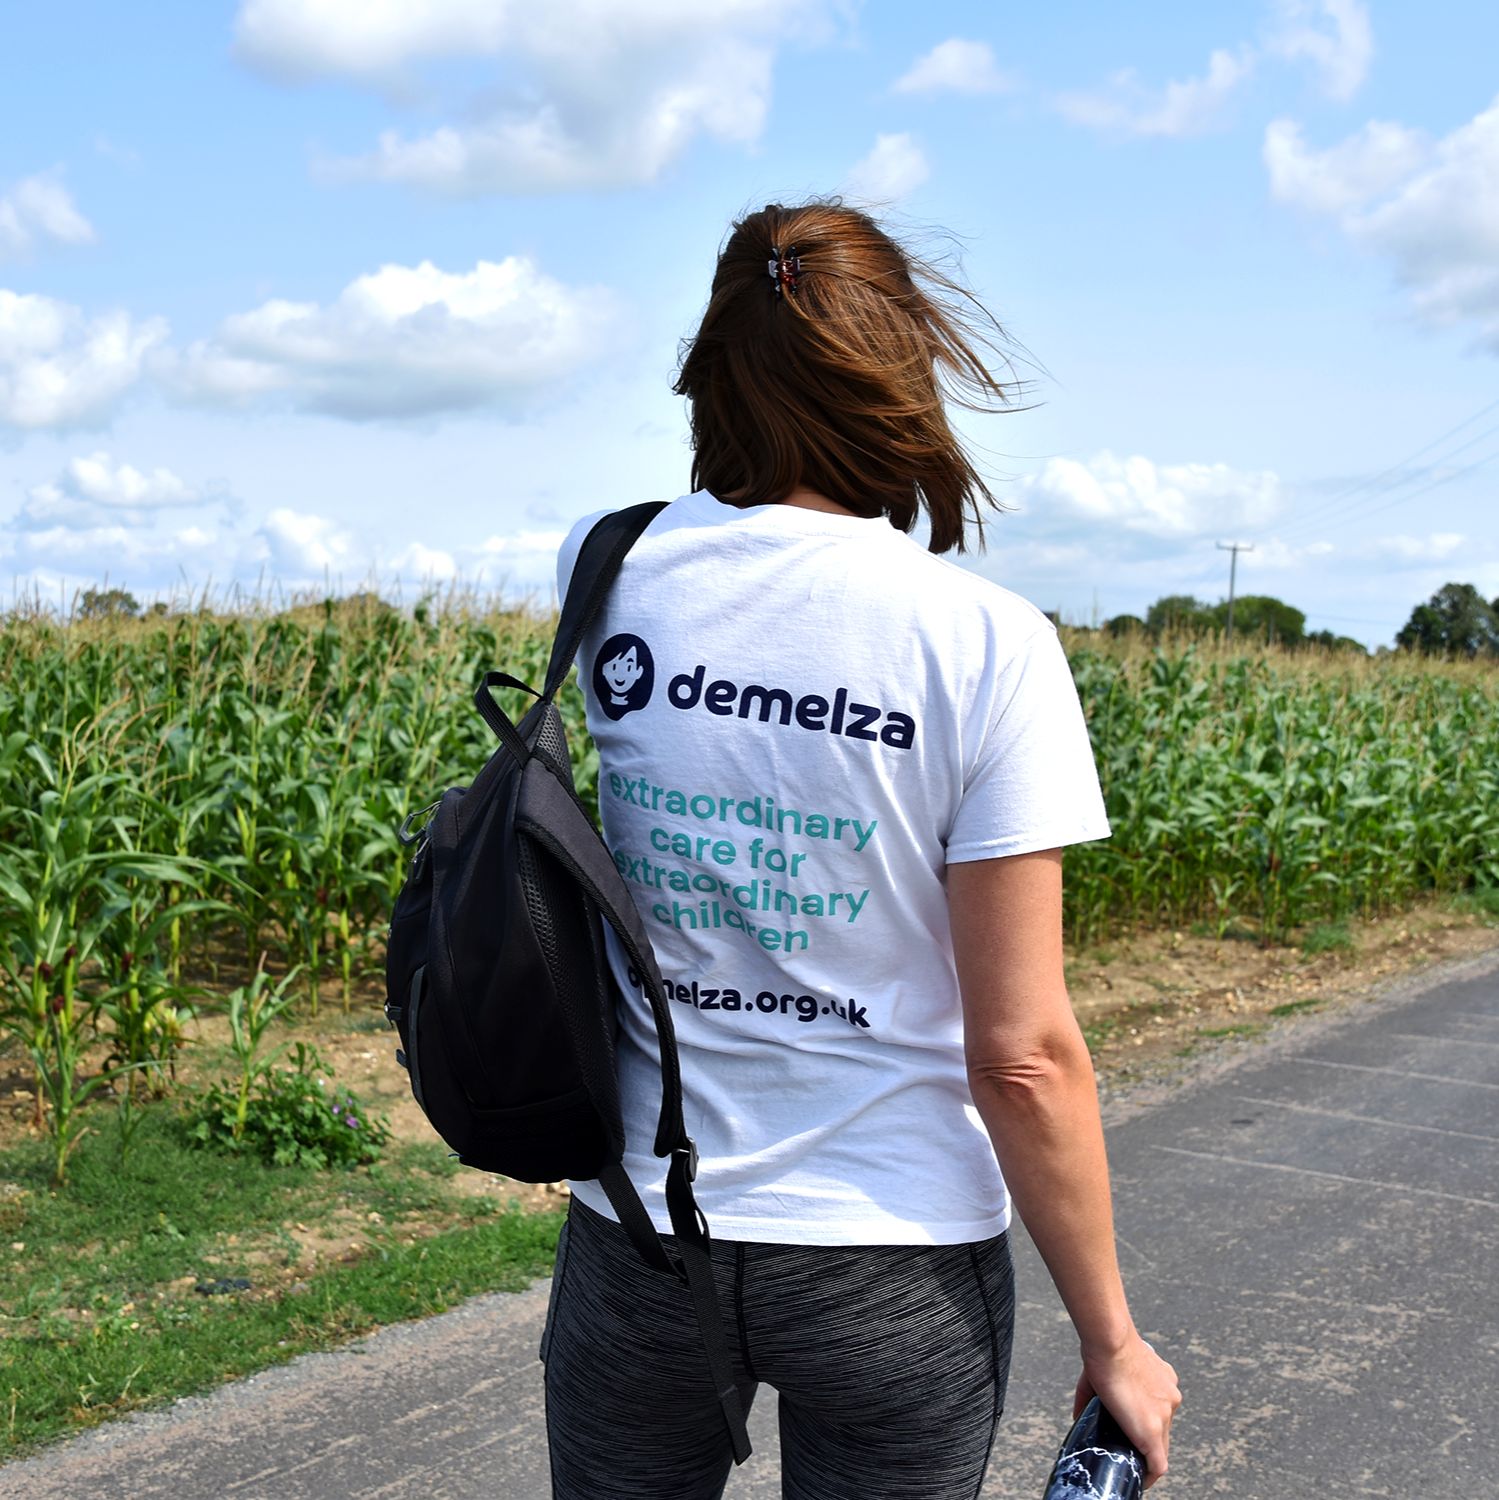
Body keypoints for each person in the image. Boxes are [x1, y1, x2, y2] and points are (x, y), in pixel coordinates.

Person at [544, 199, 1181, 1499]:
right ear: (905, 372)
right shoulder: (986, 644)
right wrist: (1113, 1339)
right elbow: (1022, 1054)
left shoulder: (609, 567)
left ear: (710, 369)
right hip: (897, 1264)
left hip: (642, 1234)